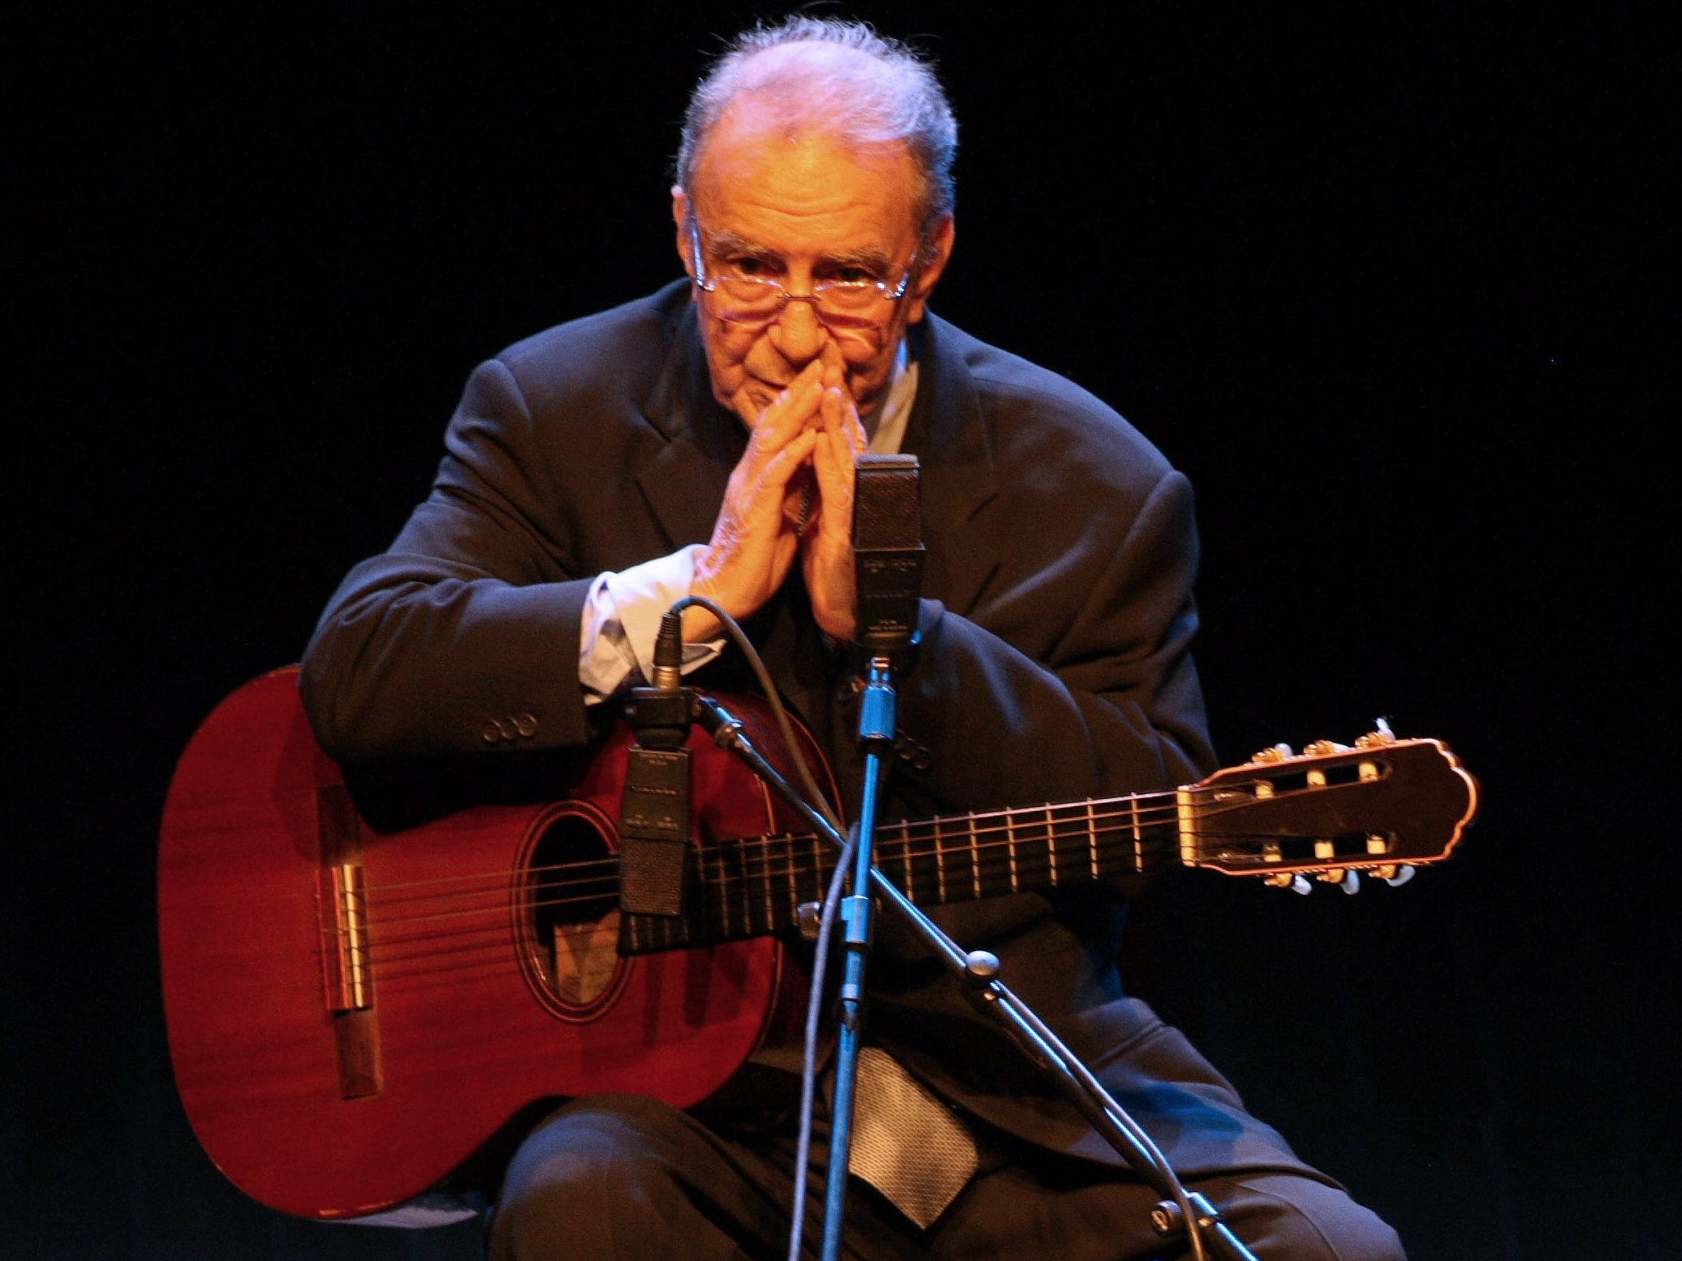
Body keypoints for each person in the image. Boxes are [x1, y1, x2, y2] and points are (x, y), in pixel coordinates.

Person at [301, 17, 1404, 1260]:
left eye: (846, 277)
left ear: (925, 264)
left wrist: (897, 633)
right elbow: (363, 666)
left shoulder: (1095, 483)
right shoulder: (555, 405)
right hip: (692, 1091)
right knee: (578, 1198)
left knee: (1326, 1249)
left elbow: (1143, 808)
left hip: (995, 1079)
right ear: (683, 234)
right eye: (747, 267)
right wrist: (688, 591)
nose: (787, 329)